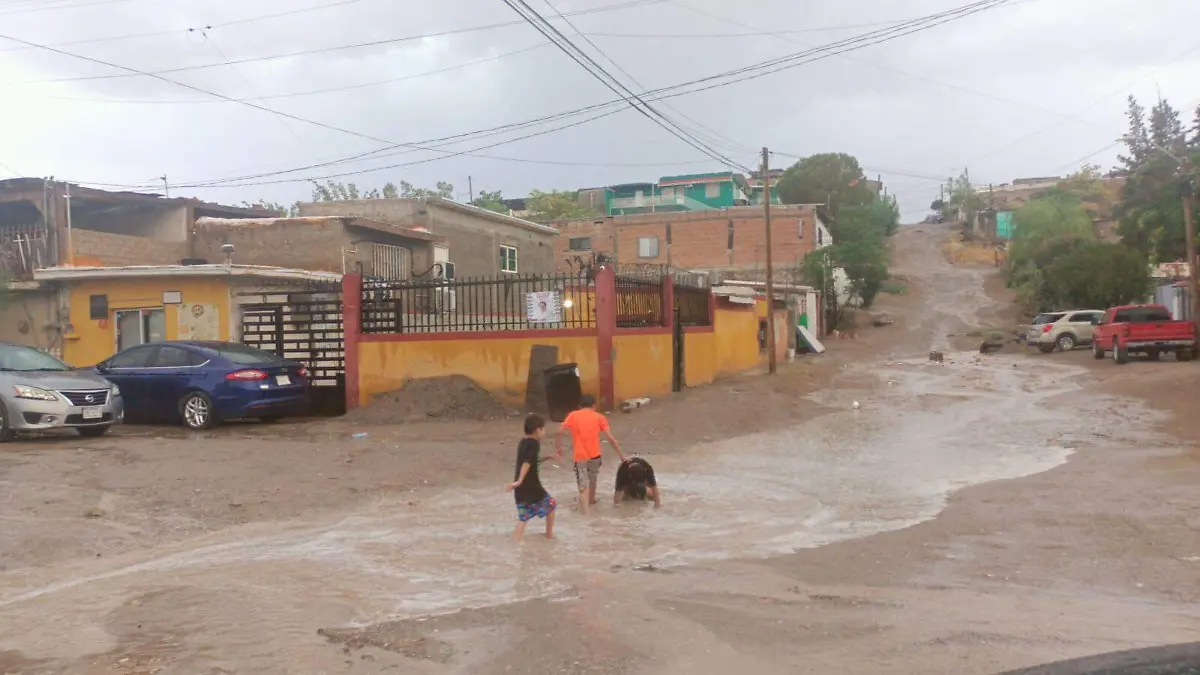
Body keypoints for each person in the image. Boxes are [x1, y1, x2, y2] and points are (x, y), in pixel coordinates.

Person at [556, 394, 624, 514]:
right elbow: (610, 438)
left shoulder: (573, 415)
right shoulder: (599, 417)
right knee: (593, 479)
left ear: (579, 406)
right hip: (595, 455)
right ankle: (591, 501)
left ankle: (586, 511)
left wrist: (559, 449)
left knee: (582, 483)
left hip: (580, 455)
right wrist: (621, 455)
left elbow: (560, 430)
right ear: (594, 405)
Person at [508, 414, 556, 541]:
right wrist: (519, 480)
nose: (544, 432)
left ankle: (515, 541)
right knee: (551, 505)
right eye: (543, 429)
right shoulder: (535, 444)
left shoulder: (523, 443)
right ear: (537, 429)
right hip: (531, 486)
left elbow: (531, 461)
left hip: (521, 488)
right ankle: (549, 535)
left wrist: (547, 457)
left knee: (523, 517)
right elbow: (527, 462)